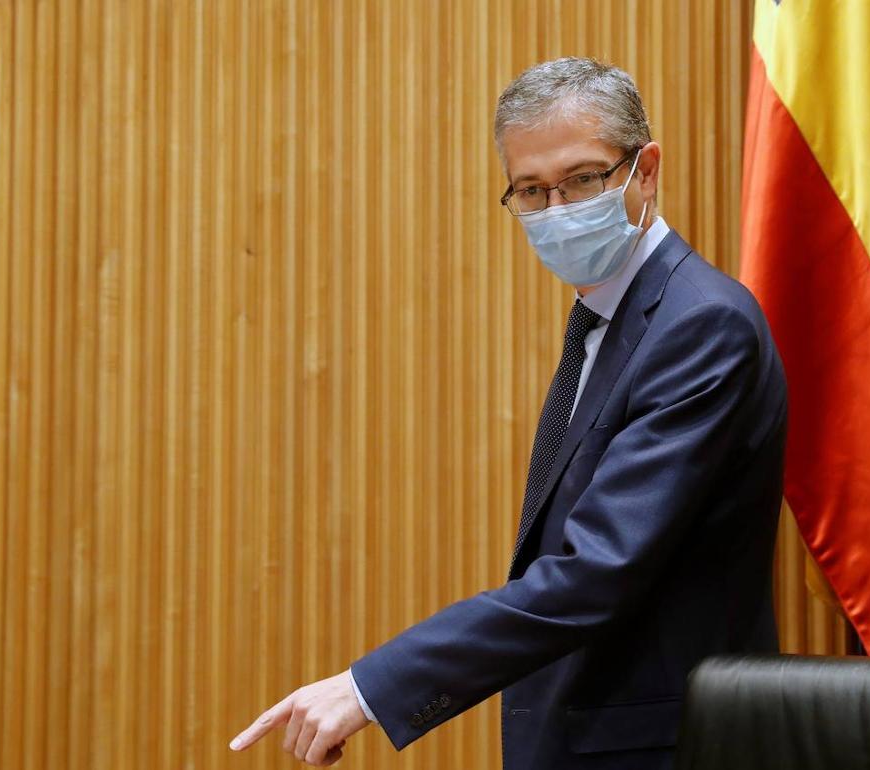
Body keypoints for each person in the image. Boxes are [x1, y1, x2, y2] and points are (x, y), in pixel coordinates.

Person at [230, 57, 787, 770]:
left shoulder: (701, 325)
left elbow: (595, 572)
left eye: (582, 179)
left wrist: (370, 688)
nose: (557, 210)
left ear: (645, 171)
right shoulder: (607, 320)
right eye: (530, 190)